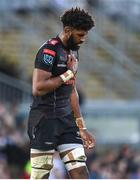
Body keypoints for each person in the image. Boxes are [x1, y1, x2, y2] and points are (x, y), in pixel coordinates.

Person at [27, 7, 95, 179]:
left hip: (67, 122)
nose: (83, 39)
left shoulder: (73, 51)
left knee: (80, 171)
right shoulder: (48, 51)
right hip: (44, 120)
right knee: (40, 176)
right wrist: (69, 73)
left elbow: (72, 90)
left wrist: (82, 127)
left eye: (85, 35)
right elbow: (38, 87)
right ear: (67, 30)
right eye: (80, 35)